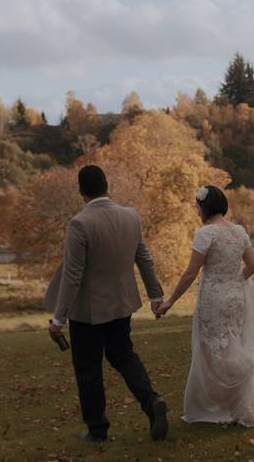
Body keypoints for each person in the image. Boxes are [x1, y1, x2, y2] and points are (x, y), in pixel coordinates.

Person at [46, 165, 169, 442]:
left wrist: (58, 319)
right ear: (106, 185)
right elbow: (144, 259)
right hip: (121, 304)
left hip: (88, 311)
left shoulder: (79, 224)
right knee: (124, 355)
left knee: (88, 368)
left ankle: (97, 429)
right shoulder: (130, 216)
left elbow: (73, 276)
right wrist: (155, 296)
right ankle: (151, 402)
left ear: (81, 191)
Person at [156, 185, 254, 427]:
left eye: (198, 206)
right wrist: (235, 280)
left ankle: (218, 408)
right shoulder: (239, 232)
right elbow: (253, 266)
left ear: (204, 207)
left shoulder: (205, 234)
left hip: (213, 300)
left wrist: (170, 301)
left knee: (212, 353)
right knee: (234, 347)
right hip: (236, 297)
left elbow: (190, 273)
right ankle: (239, 407)